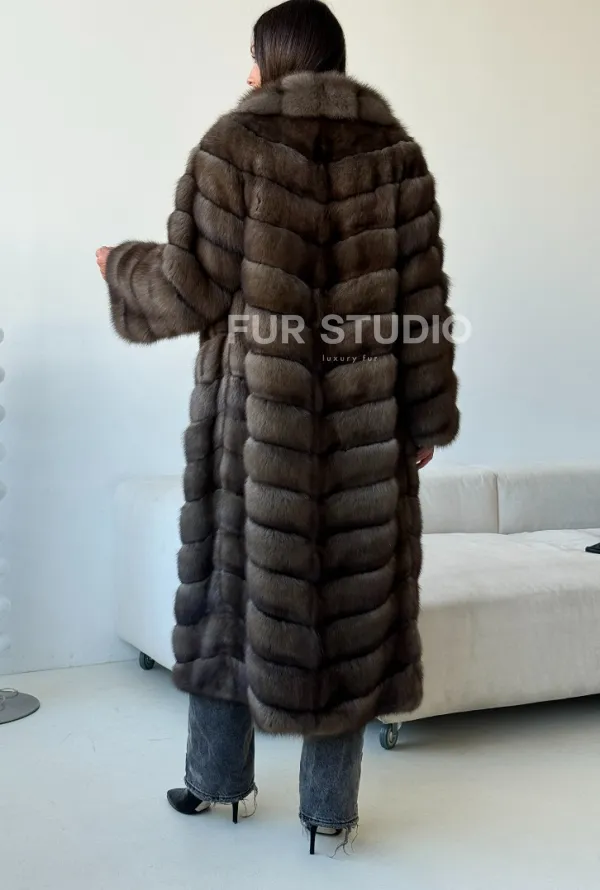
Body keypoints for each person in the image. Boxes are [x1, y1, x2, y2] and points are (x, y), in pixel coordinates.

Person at [97, 0, 459, 854]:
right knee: (351, 618)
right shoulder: (397, 157)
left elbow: (185, 287)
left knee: (230, 607)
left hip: (256, 438)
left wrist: (121, 267)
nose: (246, 71)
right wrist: (425, 417)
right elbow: (424, 309)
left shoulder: (235, 146)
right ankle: (329, 814)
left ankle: (218, 784)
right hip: (367, 439)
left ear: (274, 59)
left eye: (252, 55)